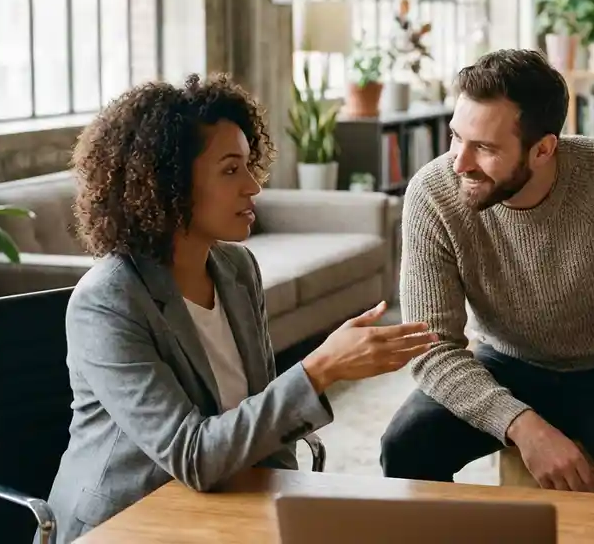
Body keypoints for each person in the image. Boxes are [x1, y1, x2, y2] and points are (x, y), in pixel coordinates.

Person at [42, 74, 435, 543]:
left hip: (217, 508)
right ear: (167, 183)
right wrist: (320, 369)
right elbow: (193, 455)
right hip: (128, 522)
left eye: (250, 165)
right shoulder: (108, 301)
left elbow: (263, 422)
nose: (253, 186)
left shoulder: (235, 268)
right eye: (230, 170)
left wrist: (290, 510)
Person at [380, 49, 594, 494]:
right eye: (456, 137)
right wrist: (522, 426)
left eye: (484, 148)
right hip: (506, 362)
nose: (459, 163)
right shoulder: (433, 195)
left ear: (543, 148)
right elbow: (431, 348)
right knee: (404, 447)